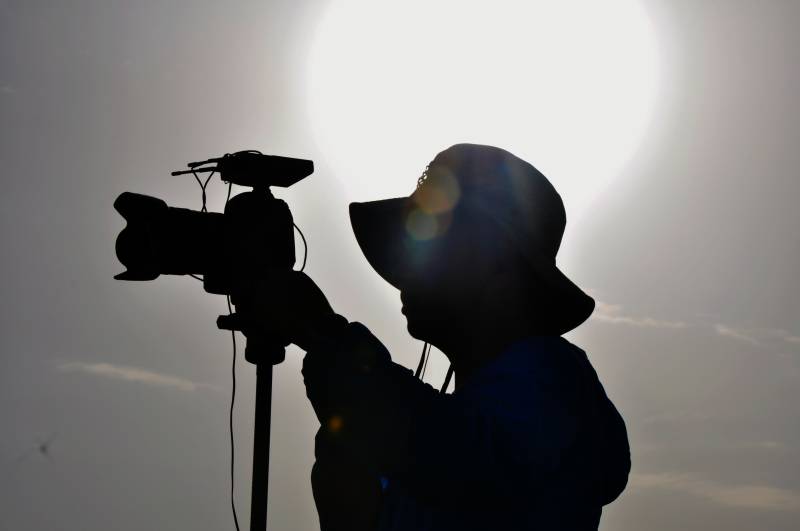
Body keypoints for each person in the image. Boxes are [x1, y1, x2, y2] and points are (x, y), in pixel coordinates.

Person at [233, 144, 631, 530]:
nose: (408, 260)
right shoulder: (492, 406)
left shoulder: (551, 380)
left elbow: (457, 459)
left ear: (492, 259)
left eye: (430, 240)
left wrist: (325, 336)